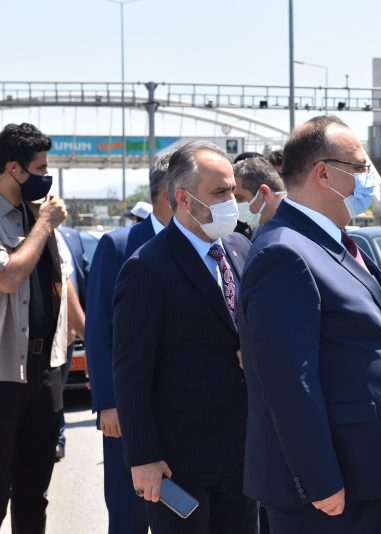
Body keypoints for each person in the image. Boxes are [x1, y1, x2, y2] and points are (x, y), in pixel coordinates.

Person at [239, 115, 381, 533]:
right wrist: (319, 479)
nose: (368, 179)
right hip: (328, 489)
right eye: (361, 168)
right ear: (323, 173)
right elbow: (290, 382)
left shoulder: (331, 241)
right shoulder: (285, 252)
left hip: (364, 471)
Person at [112, 141, 256, 533]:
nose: (232, 200)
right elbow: (131, 370)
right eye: (220, 192)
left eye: (232, 190)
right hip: (180, 460)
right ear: (183, 199)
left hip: (245, 450)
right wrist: (143, 457)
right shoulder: (147, 266)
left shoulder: (240, 248)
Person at [0, 122, 85, 533]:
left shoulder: (37, 215)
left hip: (46, 370)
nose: (47, 177)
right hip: (4, 375)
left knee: (35, 489)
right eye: (41, 168)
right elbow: (10, 276)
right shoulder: (38, 221)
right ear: (13, 169)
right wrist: (45, 224)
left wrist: (86, 334)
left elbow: (62, 276)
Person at [84, 151, 172, 534]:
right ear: (173, 193)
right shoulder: (119, 245)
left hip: (188, 409)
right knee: (129, 512)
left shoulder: (211, 248)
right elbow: (99, 330)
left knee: (182, 509)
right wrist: (108, 403)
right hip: (130, 408)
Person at [56, 225, 90, 460]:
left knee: (57, 392)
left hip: (73, 334)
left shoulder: (72, 236)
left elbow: (86, 280)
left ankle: (57, 437)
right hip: (46, 335)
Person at [233, 156, 286, 242]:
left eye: (240, 198)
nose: (235, 205)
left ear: (264, 193)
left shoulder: (291, 231)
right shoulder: (261, 226)